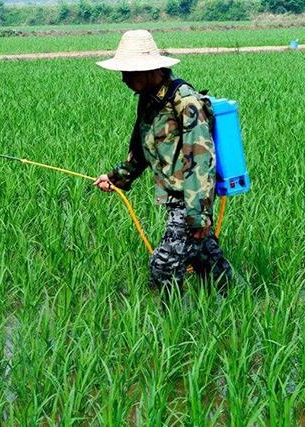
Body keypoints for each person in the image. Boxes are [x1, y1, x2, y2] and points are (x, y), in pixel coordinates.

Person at [93, 30, 232, 300]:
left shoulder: (186, 102)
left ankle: (173, 326)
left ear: (151, 70)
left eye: (129, 73)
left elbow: (200, 160)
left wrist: (198, 215)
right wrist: (116, 178)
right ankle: (232, 303)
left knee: (164, 267)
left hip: (190, 199)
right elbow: (143, 151)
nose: (124, 79)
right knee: (205, 257)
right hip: (178, 198)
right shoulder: (150, 101)